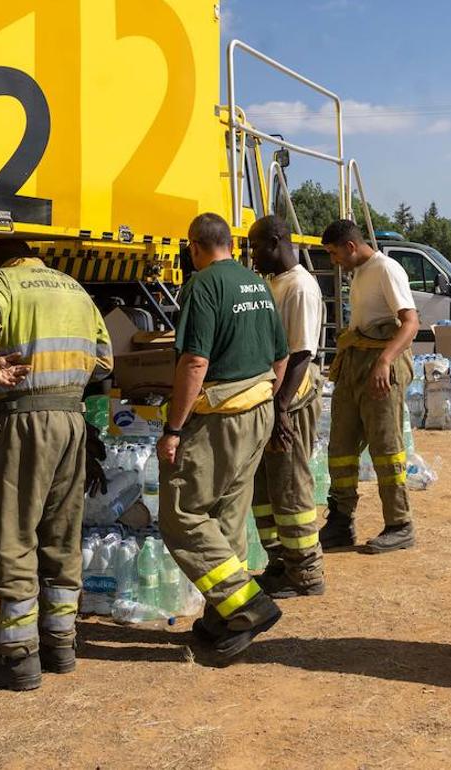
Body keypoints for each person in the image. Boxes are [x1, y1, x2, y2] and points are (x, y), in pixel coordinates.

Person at [0, 239, 112, 690]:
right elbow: (105, 359)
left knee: (15, 531)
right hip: (72, 419)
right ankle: (61, 643)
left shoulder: (3, 282)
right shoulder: (73, 287)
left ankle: (19, 656)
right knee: (63, 531)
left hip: (25, 418)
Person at [157, 213, 289, 660]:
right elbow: (280, 355)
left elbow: (195, 361)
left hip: (221, 417)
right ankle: (222, 615)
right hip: (259, 408)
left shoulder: (203, 285)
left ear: (195, 246)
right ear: (229, 243)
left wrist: (174, 428)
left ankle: (247, 603)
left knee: (183, 513)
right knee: (229, 514)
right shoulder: (256, 284)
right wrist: (265, 398)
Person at [317, 220, 420, 554]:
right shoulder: (360, 273)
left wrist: (385, 361)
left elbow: (410, 323)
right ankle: (340, 522)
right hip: (355, 364)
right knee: (341, 447)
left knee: (386, 449)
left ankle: (400, 525)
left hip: (380, 365)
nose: (334, 261)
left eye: (334, 253)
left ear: (350, 246)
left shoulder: (386, 269)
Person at [247, 215, 326, 598]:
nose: (252, 256)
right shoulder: (272, 284)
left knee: (291, 488)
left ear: (277, 242)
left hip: (290, 403)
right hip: (271, 401)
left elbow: (300, 355)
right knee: (265, 489)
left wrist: (280, 410)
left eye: (256, 247)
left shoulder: (299, 288)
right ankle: (279, 562)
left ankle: (306, 573)